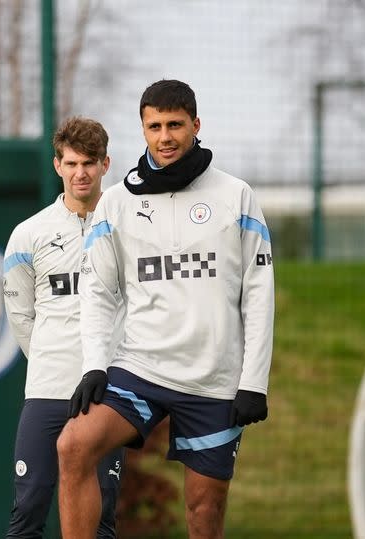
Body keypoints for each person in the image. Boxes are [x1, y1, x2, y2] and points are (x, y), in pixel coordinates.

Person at [57, 80, 275, 539]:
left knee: (203, 513)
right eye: (154, 126)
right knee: (73, 445)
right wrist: (95, 366)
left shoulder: (236, 196)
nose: (166, 136)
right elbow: (96, 290)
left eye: (175, 124)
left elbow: (259, 293)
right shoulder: (116, 203)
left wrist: (253, 382)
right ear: (143, 130)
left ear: (196, 125)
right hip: (141, 369)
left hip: (213, 380)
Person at [2, 116, 125, 539]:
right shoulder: (29, 233)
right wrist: (51, 357)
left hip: (106, 393)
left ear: (106, 164)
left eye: (89, 163)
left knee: (101, 517)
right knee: (28, 510)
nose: (80, 173)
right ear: (57, 166)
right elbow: (20, 315)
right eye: (71, 163)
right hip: (46, 388)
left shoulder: (126, 228)